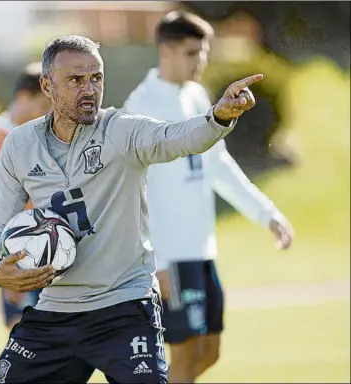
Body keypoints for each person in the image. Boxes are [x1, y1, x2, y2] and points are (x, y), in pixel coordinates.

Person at [0, 34, 262, 384]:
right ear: (46, 86)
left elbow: (177, 137)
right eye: (75, 80)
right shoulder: (19, 144)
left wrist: (218, 116)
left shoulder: (121, 130)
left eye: (96, 78)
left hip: (125, 309)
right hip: (56, 309)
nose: (89, 89)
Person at [123, 11, 294, 383]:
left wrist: (267, 213)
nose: (200, 61)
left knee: (209, 352)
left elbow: (219, 168)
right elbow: (132, 194)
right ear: (165, 51)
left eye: (203, 52)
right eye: (190, 53)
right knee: (183, 357)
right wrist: (157, 263)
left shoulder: (198, 96)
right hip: (170, 257)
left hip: (202, 251)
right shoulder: (140, 108)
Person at [0, 62, 51, 330]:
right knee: (26, 345)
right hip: (19, 260)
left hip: (56, 255)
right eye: (44, 104)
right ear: (25, 96)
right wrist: (6, 265)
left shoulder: (46, 136)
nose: (49, 112)